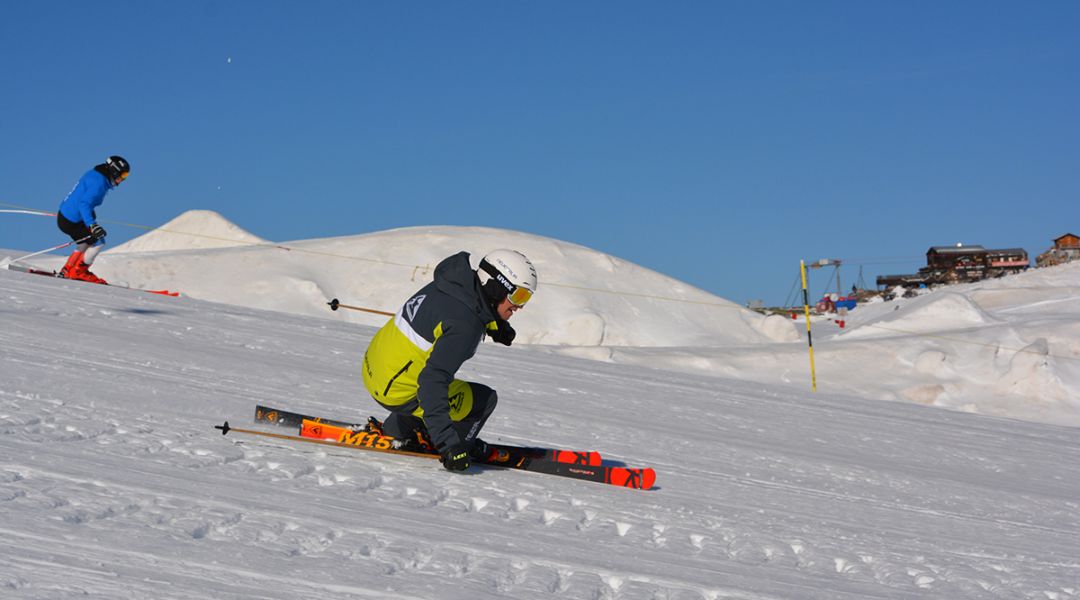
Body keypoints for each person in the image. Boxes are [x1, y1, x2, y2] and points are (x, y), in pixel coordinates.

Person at [361, 249, 537, 472]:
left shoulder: (451, 284)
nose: (519, 306)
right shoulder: (466, 326)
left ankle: (399, 429)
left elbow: (458, 311)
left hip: (374, 369)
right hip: (397, 392)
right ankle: (453, 443)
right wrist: (449, 445)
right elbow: (431, 383)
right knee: (483, 400)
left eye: (526, 298)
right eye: (519, 296)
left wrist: (495, 325)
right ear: (497, 286)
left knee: (426, 377)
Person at [57, 155, 131, 284]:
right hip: (72, 220)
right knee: (99, 242)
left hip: (66, 216)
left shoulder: (96, 174)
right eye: (123, 175)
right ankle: (79, 272)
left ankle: (67, 270)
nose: (123, 180)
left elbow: (81, 197)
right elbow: (84, 204)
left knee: (86, 242)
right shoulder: (100, 183)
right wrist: (92, 225)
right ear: (114, 170)